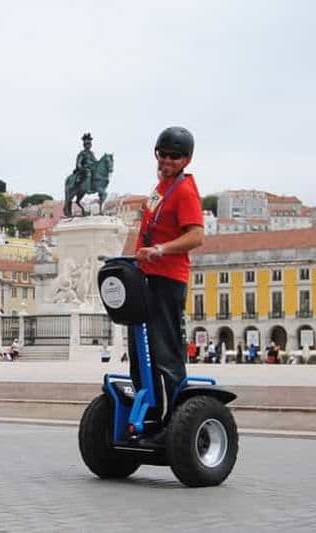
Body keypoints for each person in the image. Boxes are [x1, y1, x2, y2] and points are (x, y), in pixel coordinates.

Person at [132, 126, 204, 426]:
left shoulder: (185, 190)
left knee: (165, 351)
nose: (167, 160)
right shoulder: (159, 188)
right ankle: (150, 412)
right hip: (145, 275)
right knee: (140, 352)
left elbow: (197, 236)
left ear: (186, 159)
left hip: (168, 278)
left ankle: (177, 420)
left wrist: (160, 249)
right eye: (163, 154)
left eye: (175, 156)